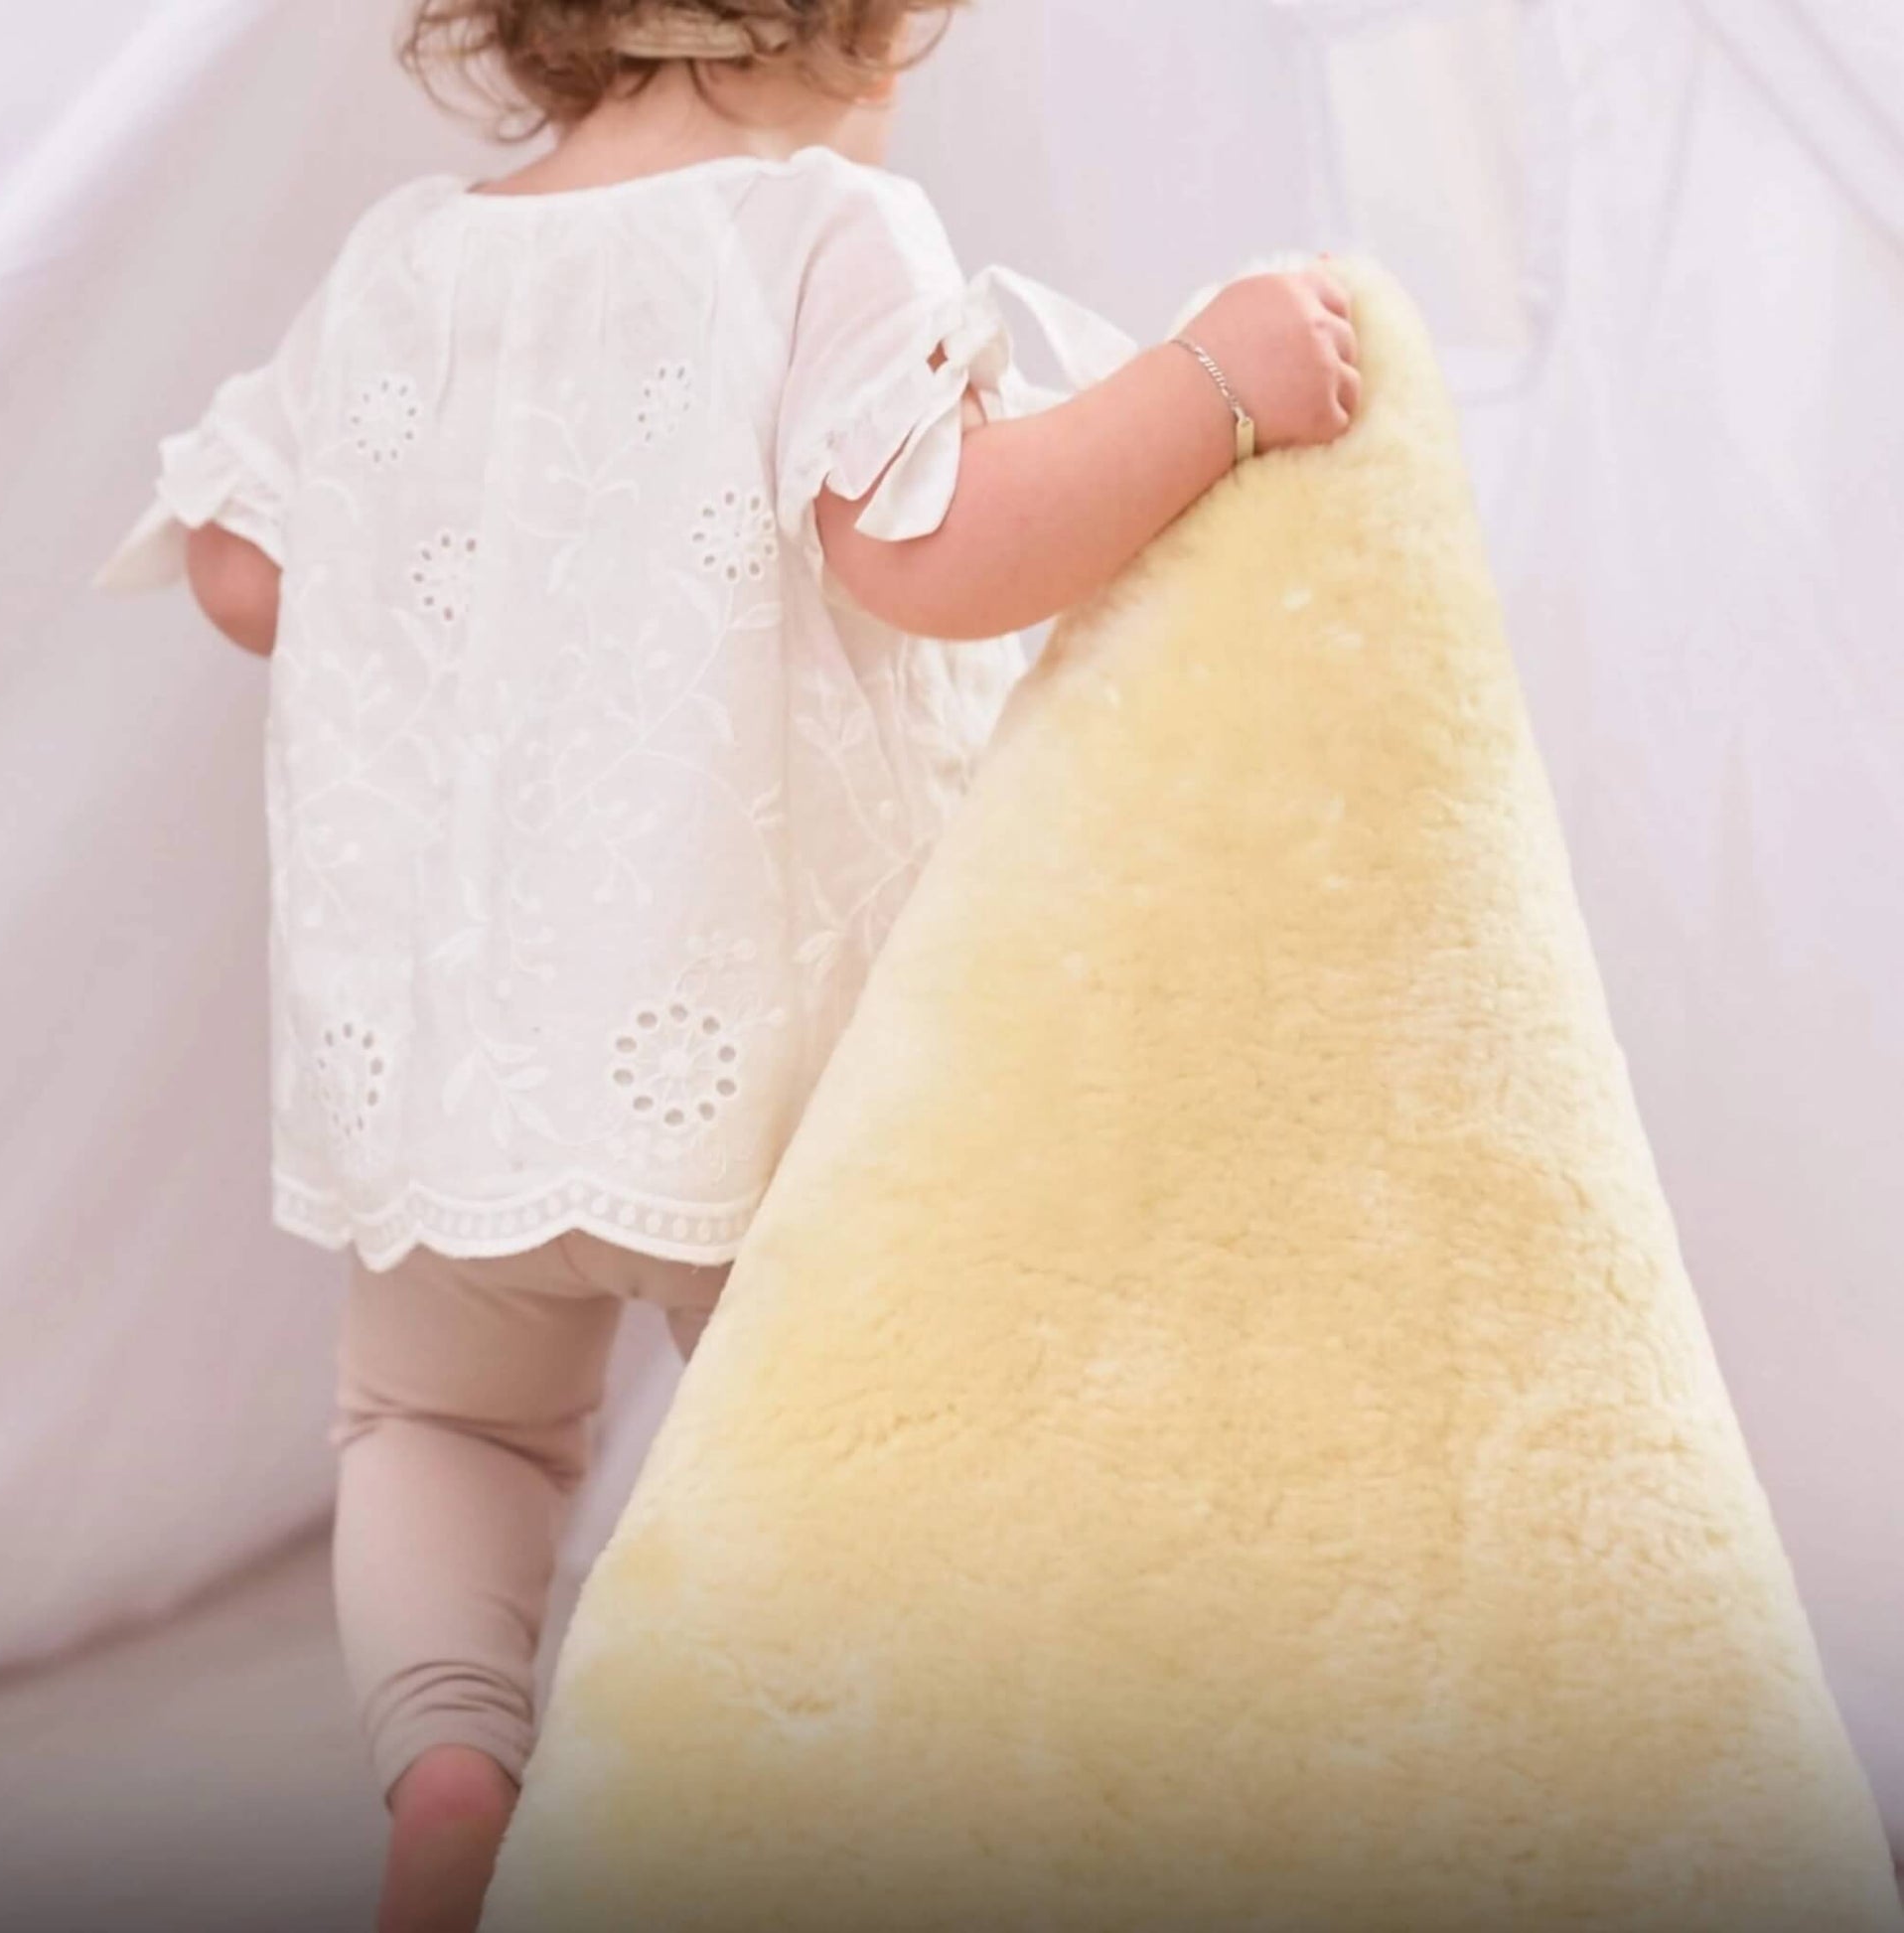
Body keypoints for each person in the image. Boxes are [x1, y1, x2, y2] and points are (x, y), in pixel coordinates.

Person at [97, 3, 1360, 1926]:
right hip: (754, 1073)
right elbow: (933, 542)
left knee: (439, 1428)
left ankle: (449, 1774)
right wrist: (1214, 381)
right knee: (881, 1458)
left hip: (449, 1076)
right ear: (851, 27)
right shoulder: (817, 234)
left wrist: (468, 561)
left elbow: (241, 570)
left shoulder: (403, 263)